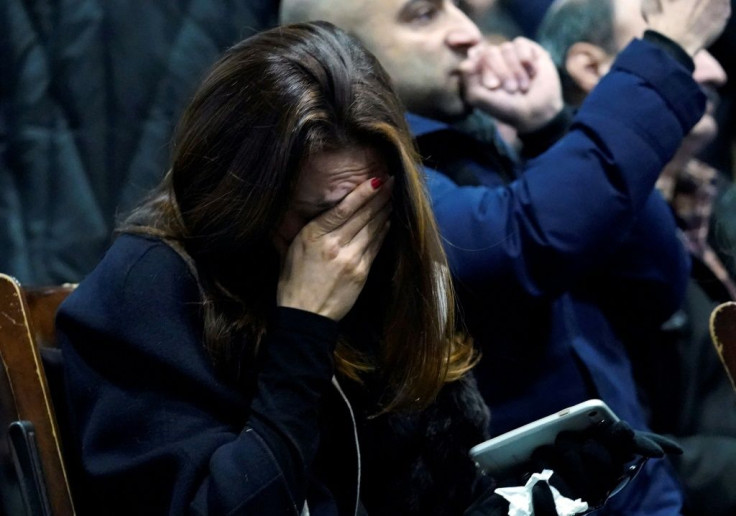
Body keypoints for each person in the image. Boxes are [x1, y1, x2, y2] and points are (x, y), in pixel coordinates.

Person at [55, 21, 680, 516]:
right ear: (239, 196)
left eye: (368, 208)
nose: (345, 245)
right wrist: (302, 329)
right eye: (320, 214)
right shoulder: (148, 288)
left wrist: (533, 497)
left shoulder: (383, 259)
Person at [279, 0, 731, 514]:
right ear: (335, 53)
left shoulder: (483, 142)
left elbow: (654, 282)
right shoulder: (355, 184)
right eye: (424, 15)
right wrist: (664, 54)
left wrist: (549, 125)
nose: (468, 32)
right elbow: (518, 243)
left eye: (456, 7)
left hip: (634, 491)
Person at [538, 1, 736, 514]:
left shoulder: (717, 197)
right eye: (687, 47)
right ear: (591, 68)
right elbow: (621, 440)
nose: (715, 70)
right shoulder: (566, 226)